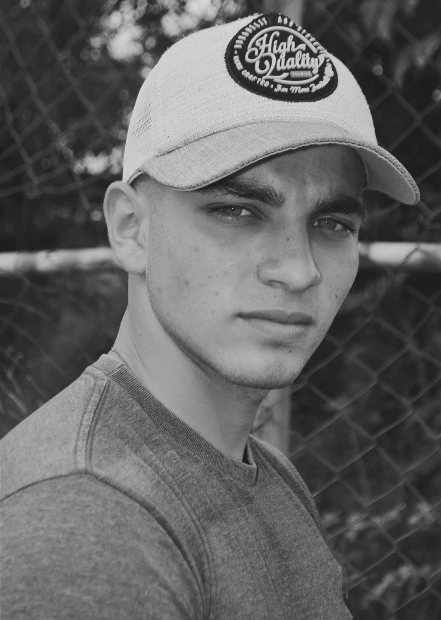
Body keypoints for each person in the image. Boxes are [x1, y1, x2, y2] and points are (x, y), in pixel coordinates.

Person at [0, 12, 419, 620]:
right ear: (131, 228)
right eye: (237, 212)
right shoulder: (82, 521)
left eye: (331, 223)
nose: (298, 269)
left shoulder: (265, 471)